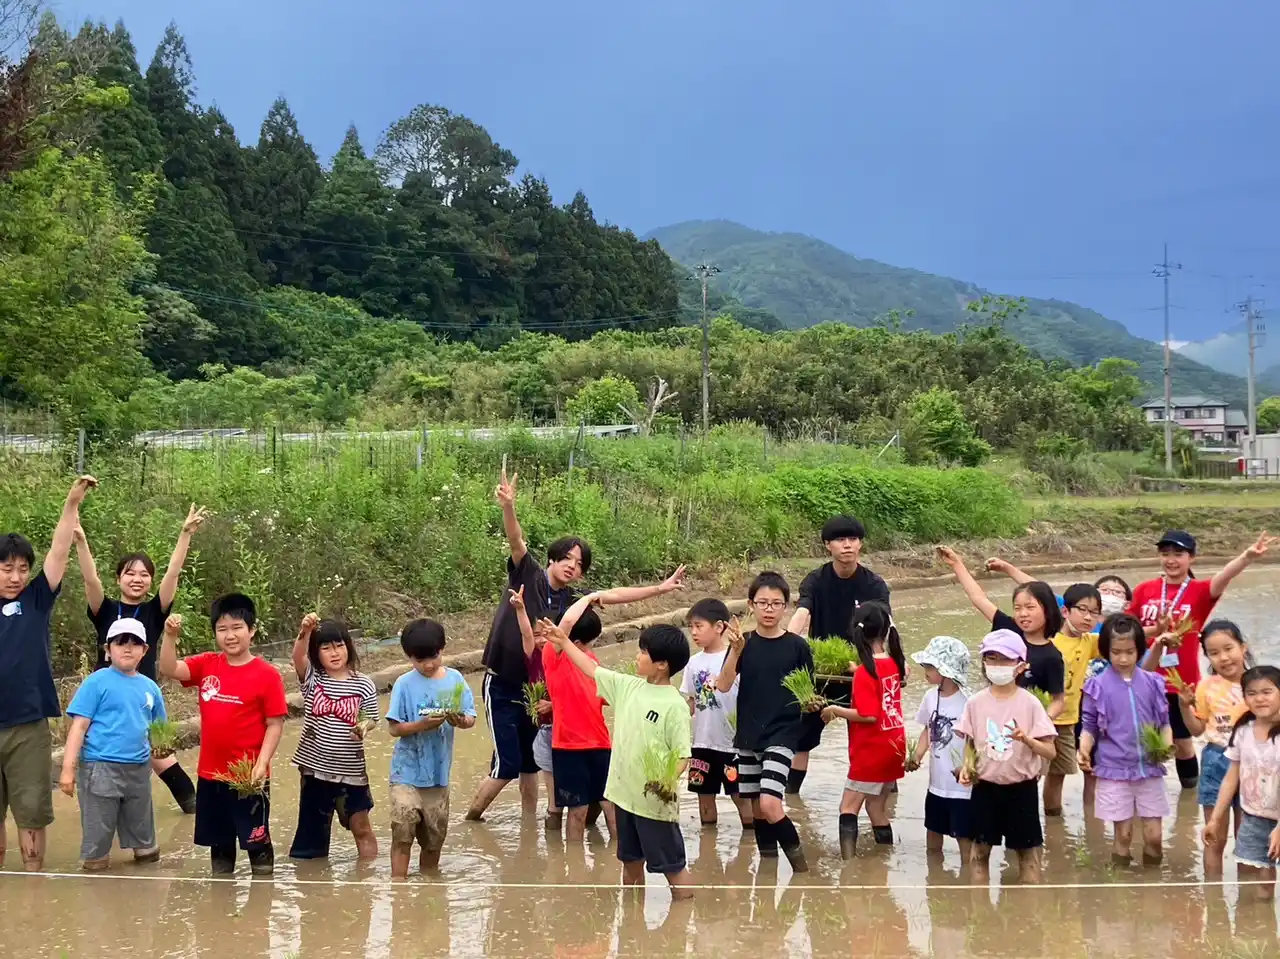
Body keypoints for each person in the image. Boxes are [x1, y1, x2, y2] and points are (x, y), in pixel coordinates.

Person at [541, 618, 694, 900]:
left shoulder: (675, 706)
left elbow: (682, 755)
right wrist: (563, 642)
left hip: (654, 804)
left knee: (672, 867)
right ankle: (633, 918)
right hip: (624, 797)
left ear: (662, 664)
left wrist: (666, 780)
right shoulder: (627, 687)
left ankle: (685, 915)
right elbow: (591, 669)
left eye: (643, 652)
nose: (638, 656)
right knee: (630, 863)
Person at [73, 504, 207, 814]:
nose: (137, 579)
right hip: (104, 700)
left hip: (142, 699)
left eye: (144, 574)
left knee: (161, 758)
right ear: (118, 578)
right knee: (103, 759)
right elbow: (90, 579)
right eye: (130, 573)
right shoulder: (105, 609)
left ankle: (196, 812)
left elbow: (173, 573)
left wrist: (185, 534)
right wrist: (81, 541)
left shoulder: (153, 612)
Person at [1129, 529, 1275, 789]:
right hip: (1145, 679)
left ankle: (1190, 795)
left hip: (1180, 682)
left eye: (1178, 554)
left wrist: (1247, 556)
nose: (1171, 560)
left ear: (1191, 558)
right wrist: (1155, 631)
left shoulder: (1199, 591)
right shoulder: (1144, 590)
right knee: (1143, 739)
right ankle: (1146, 794)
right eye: (1165, 554)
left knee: (1183, 742)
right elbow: (1127, 630)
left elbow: (1225, 576)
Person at [0, 474, 95, 871]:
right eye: (7, 568)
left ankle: (33, 887)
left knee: (32, 813)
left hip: (28, 726)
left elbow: (58, 551)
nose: (16, 577)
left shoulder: (36, 598)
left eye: (23, 568)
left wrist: (71, 504)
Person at [159, 593, 288, 877]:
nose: (230, 635)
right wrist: (170, 636)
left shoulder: (267, 675)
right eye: (222, 629)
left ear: (252, 630)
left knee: (258, 847)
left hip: (248, 777)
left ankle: (262, 899)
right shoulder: (207, 664)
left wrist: (261, 765)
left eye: (237, 627)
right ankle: (222, 899)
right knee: (220, 851)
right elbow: (168, 669)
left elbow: (275, 724)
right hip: (211, 775)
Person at [938, 546, 1066, 814]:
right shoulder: (1008, 629)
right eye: (1018, 608)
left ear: (1047, 611)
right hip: (992, 727)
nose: (1023, 613)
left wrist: (1038, 721)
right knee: (987, 782)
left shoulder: (1052, 656)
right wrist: (957, 564)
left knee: (1021, 789)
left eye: (1030, 607)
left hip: (1024, 736)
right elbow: (978, 597)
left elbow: (1058, 700)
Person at [787, 515, 890, 794]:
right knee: (802, 734)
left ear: (860, 544)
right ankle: (792, 798)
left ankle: (884, 799)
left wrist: (889, 665)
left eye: (853, 539)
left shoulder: (874, 585)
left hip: (862, 670)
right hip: (822, 671)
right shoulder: (816, 581)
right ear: (827, 545)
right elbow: (803, 612)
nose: (847, 545)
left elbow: (885, 628)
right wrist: (786, 645)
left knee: (873, 736)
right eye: (840, 540)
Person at [718, 571, 812, 872]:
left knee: (771, 804)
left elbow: (807, 693)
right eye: (762, 603)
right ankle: (767, 873)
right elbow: (723, 684)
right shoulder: (743, 643)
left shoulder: (797, 647)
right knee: (757, 809)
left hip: (782, 734)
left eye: (776, 603)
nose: (769, 609)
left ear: (786, 606)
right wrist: (735, 652)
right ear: (751, 606)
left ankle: (802, 871)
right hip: (749, 734)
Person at [58, 616, 168, 870]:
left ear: (145, 650)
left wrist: (161, 751)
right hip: (100, 767)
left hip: (139, 768)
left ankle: (146, 884)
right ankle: (96, 874)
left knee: (147, 848)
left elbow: (159, 732)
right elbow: (79, 727)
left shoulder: (150, 687)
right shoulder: (96, 682)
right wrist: (67, 769)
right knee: (97, 844)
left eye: (134, 643)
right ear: (108, 650)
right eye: (120, 643)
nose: (128, 648)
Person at [956, 628, 1058, 883]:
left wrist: (1027, 739)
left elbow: (1050, 751)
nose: (997, 665)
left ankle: (1028, 904)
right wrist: (967, 767)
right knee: (979, 853)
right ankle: (979, 905)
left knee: (1028, 854)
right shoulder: (975, 703)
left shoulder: (1030, 704)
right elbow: (970, 743)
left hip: (1022, 789)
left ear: (1021, 665)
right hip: (985, 788)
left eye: (1005, 659)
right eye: (991, 659)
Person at [1077, 615, 1172, 867]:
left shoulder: (1153, 682)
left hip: (1149, 769)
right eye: (1116, 652)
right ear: (1105, 650)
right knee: (1123, 835)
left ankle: (1152, 884)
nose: (1123, 659)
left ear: (1139, 649)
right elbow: (1089, 727)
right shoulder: (1096, 686)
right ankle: (1121, 885)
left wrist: (1165, 747)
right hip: (1114, 770)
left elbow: (1164, 723)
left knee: (1154, 837)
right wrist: (1084, 749)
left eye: (1130, 652)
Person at [386, 619, 476, 878]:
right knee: (402, 830)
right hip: (406, 773)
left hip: (438, 776)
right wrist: (421, 725)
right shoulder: (404, 684)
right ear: (409, 657)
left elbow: (470, 718)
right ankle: (398, 886)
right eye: (420, 660)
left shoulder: (455, 680)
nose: (428, 665)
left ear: (442, 649)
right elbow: (394, 728)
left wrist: (460, 721)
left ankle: (430, 886)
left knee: (434, 840)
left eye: (434, 657)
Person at [288, 613, 380, 861]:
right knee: (312, 835)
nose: (335, 653)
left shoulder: (363, 684)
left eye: (339, 645)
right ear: (316, 653)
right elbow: (297, 657)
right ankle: (310, 878)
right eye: (326, 648)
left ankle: (369, 874)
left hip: (351, 769)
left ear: (348, 647)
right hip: (315, 769)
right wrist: (305, 631)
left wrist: (363, 726)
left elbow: (371, 718)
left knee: (361, 827)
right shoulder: (312, 679)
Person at [820, 601, 906, 857]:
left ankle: (848, 865)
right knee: (876, 809)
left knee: (848, 807)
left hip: (872, 751)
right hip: (894, 745)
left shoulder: (865, 673)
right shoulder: (894, 663)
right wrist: (856, 670)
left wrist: (835, 710)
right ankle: (884, 860)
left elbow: (868, 715)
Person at [1172, 619, 1249, 876]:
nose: (1223, 657)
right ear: (1207, 657)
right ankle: (1213, 894)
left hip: (1252, 763)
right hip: (1216, 760)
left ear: (1243, 648)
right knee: (1214, 837)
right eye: (1214, 653)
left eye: (1228, 648)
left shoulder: (1258, 684)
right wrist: (1184, 706)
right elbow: (1196, 730)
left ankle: (1247, 898)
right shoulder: (1206, 686)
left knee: (1247, 839)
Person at [1204, 665, 1280, 901]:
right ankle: (1256, 923)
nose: (1260, 698)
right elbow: (1231, 777)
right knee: (1258, 883)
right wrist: (1215, 819)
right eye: (1252, 693)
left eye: (1267, 692)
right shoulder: (1243, 731)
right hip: (1254, 817)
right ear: (1244, 697)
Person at [681, 597, 752, 829]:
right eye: (691, 626)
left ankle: (751, 840)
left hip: (732, 744)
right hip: (702, 743)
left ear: (719, 627)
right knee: (704, 799)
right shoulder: (692, 663)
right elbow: (691, 703)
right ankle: (708, 843)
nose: (693, 632)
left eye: (699, 626)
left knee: (741, 797)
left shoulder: (736, 658)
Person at [909, 635, 973, 861]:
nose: (925, 671)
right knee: (933, 834)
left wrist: (969, 767)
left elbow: (976, 741)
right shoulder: (930, 697)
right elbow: (928, 729)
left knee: (965, 838)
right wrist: (916, 755)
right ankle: (934, 874)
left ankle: (968, 875)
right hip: (936, 785)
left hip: (962, 788)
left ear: (946, 670)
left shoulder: (969, 702)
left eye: (930, 666)